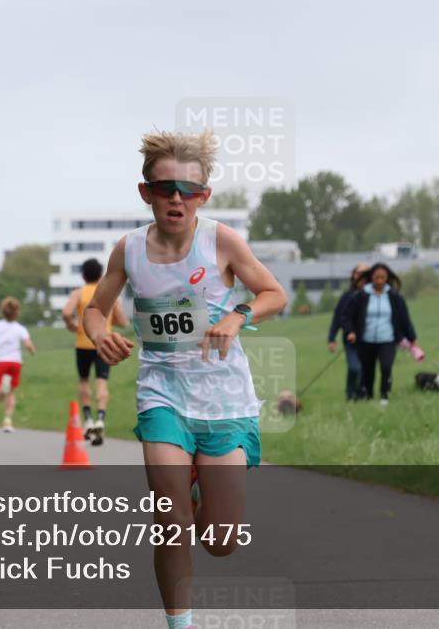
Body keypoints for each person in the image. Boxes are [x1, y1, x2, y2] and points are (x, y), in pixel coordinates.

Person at [82, 129, 287, 629]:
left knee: (220, 541)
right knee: (169, 521)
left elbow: (273, 294)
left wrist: (238, 315)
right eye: (165, 188)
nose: (177, 199)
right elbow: (94, 310)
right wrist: (101, 334)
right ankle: (181, 624)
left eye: (189, 190)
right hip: (163, 394)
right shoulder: (129, 250)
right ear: (146, 192)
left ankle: (198, 494)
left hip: (224, 400)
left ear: (204, 196)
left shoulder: (222, 241)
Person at [61, 258, 129, 445]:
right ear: (101, 275)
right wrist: (108, 321)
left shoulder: (78, 293)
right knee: (102, 381)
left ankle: (88, 420)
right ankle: (100, 419)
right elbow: (123, 322)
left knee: (84, 380)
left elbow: (66, 313)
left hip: (83, 344)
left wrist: (72, 326)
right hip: (103, 343)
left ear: (83, 276)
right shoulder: (107, 295)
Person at [344, 262, 418, 406]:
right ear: (371, 278)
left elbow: (404, 318)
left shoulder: (394, 297)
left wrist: (412, 339)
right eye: (376, 278)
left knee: (386, 367)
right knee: (368, 371)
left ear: (387, 278)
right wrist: (350, 331)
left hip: (388, 339)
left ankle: (385, 396)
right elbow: (347, 316)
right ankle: (368, 396)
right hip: (366, 340)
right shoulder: (361, 296)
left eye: (382, 278)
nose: (379, 281)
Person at [0, 296, 36, 433]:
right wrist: (32, 350)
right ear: (17, 312)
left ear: (2, 311)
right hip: (15, 362)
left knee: (0, 395)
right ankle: (8, 420)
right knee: (11, 393)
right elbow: (28, 344)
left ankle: (2, 391)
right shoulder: (20, 328)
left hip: (0, 361)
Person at [327, 262, 370, 401]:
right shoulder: (347, 296)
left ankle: (360, 395)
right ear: (353, 276)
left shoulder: (374, 295)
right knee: (354, 368)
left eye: (364, 274)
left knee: (365, 369)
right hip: (351, 340)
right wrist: (332, 339)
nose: (361, 276)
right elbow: (337, 318)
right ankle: (350, 394)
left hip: (370, 339)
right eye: (358, 273)